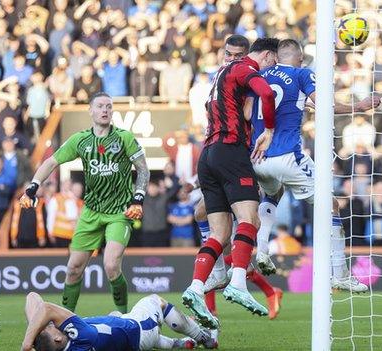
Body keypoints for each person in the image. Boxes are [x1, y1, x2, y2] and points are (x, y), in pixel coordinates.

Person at [249, 39, 380, 292]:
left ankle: (263, 250)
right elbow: (324, 106)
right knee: (331, 205)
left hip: (258, 158)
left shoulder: (261, 75)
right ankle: (340, 274)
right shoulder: (301, 74)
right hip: (288, 156)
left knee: (272, 193)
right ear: (299, 58)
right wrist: (359, 106)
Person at [20, 92, 150, 315]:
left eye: (109, 106)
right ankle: (66, 319)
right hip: (91, 212)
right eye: (100, 106)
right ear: (90, 110)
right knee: (73, 269)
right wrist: (33, 186)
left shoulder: (124, 138)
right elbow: (51, 162)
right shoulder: (80, 140)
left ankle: (125, 316)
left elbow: (143, 169)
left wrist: (138, 197)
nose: (105, 110)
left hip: (119, 212)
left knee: (110, 265)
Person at [182, 37, 278, 329]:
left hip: (208, 155)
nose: (269, 68)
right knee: (251, 218)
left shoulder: (218, 77)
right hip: (230, 151)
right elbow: (268, 93)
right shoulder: (244, 66)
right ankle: (238, 282)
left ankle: (196, 287)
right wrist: (270, 129)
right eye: (271, 62)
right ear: (264, 55)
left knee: (219, 232)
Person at [21, 292, 218, 351]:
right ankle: (202, 336)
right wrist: (26, 344)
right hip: (140, 329)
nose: (50, 324)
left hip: (130, 341)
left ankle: (178, 344)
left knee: (115, 316)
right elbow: (43, 307)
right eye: (49, 328)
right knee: (156, 301)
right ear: (57, 340)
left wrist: (35, 334)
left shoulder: (61, 343)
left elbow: (31, 298)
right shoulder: (81, 337)